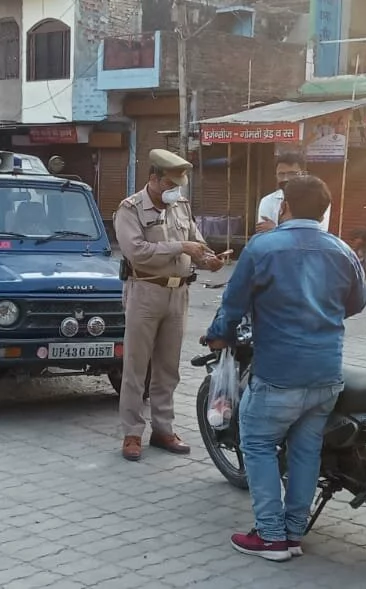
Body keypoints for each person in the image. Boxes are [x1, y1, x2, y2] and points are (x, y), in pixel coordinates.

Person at [206, 176, 366, 561]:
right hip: (327, 373)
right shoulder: (341, 250)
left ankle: (270, 536)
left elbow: (233, 303)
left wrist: (218, 335)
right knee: (306, 451)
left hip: (279, 373)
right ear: (324, 210)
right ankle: (294, 533)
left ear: (284, 208)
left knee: (258, 443)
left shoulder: (264, 246)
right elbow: (357, 302)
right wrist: (322, 312)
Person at [114, 149, 223, 462]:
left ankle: (163, 429)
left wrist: (209, 259)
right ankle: (132, 432)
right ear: (153, 179)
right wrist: (181, 246)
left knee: (167, 368)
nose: (176, 190)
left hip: (178, 295)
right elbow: (137, 251)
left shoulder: (180, 206)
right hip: (144, 291)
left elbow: (196, 242)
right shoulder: (130, 208)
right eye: (170, 183)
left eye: (180, 184)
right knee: (136, 367)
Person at [255, 153, 330, 234]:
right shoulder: (267, 201)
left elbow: (319, 233)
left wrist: (275, 229)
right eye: (281, 174)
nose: (286, 178)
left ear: (304, 174)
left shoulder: (318, 199)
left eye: (292, 174)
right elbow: (263, 233)